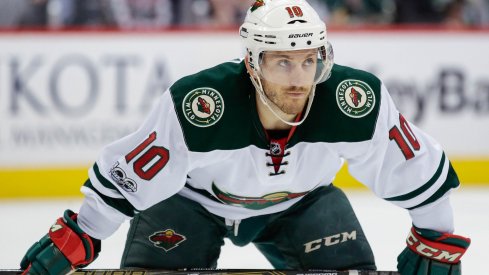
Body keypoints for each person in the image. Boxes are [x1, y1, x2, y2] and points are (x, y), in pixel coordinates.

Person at [20, 0, 470, 274]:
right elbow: (132, 176)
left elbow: (412, 166)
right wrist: (83, 233)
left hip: (301, 204)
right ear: (252, 64)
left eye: (309, 60)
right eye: (281, 62)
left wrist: (437, 233)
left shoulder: (354, 99)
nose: (299, 79)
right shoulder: (202, 105)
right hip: (191, 204)